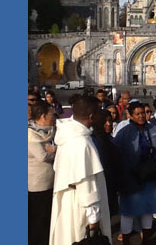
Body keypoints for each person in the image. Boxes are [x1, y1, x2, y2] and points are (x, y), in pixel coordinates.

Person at [49, 96, 111, 245]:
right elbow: (87, 184)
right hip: (81, 208)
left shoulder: (67, 136)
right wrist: (94, 220)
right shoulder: (81, 143)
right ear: (91, 117)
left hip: (69, 200)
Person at [113, 102, 156, 245]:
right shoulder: (124, 132)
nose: (141, 116)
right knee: (128, 212)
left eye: (143, 113)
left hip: (149, 176)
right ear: (131, 115)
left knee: (148, 209)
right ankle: (126, 240)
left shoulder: (153, 129)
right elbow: (117, 154)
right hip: (130, 177)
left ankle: (146, 239)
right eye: (137, 114)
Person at [28, 100, 57, 245]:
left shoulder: (49, 132)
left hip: (49, 183)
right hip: (37, 185)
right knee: (38, 221)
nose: (53, 116)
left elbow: (49, 149)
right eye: (51, 114)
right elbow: (43, 156)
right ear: (43, 116)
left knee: (46, 219)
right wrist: (55, 150)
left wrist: (51, 149)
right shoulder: (30, 134)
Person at [91, 109, 121, 218]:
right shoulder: (92, 142)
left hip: (111, 184)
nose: (108, 124)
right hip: (99, 185)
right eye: (104, 121)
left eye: (110, 121)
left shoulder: (110, 140)